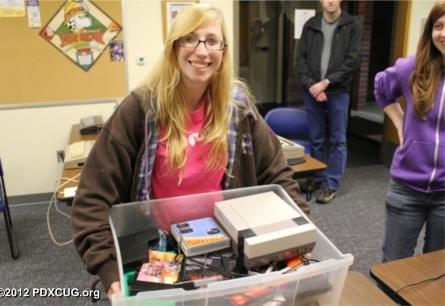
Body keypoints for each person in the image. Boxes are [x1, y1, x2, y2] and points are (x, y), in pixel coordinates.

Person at [70, 3, 311, 301]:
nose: (201, 51)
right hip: (159, 245)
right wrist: (108, 268)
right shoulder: (140, 110)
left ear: (222, 53)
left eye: (212, 41)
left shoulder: (238, 108)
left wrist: (301, 238)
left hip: (226, 244)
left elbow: (278, 176)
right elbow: (91, 198)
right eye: (190, 38)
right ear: (174, 47)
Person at [374, 0, 445, 263]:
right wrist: (400, 121)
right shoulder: (412, 68)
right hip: (407, 188)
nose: (444, 33)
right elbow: (381, 87)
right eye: (438, 26)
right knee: (394, 267)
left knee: (436, 270)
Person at [296, 0, 361, 204]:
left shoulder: (351, 25)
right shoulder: (311, 24)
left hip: (338, 92)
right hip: (313, 91)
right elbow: (301, 60)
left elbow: (352, 60)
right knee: (316, 138)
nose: (330, 1)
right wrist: (313, 86)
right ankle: (318, 177)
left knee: (337, 141)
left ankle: (331, 184)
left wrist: (326, 83)